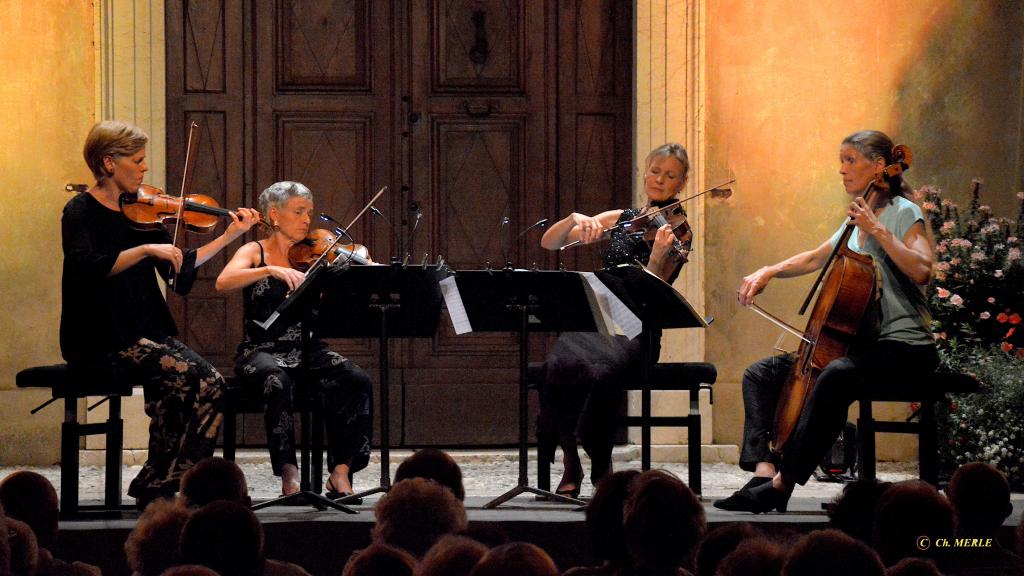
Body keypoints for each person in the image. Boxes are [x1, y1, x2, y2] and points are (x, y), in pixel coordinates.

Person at [714, 130, 938, 514]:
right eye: (842, 160)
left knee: (836, 375)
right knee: (761, 374)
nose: (842, 169)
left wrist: (879, 231)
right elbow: (818, 257)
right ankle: (763, 473)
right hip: (863, 347)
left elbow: (923, 270)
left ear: (880, 166)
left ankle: (784, 483)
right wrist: (769, 270)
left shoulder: (903, 212)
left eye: (851, 160)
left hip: (906, 348)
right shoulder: (856, 218)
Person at [61, 120, 259, 505]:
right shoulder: (79, 211)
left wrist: (229, 236)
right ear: (108, 163)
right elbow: (89, 267)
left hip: (145, 330)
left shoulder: (142, 209)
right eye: (136, 160)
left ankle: (165, 481)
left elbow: (178, 268)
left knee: (199, 386)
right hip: (101, 337)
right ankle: (177, 483)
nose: (144, 167)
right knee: (202, 380)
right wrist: (145, 251)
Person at [537, 143, 691, 497]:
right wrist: (575, 220)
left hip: (638, 330)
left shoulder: (679, 232)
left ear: (681, 184)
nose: (660, 180)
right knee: (557, 364)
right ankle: (571, 459)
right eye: (655, 171)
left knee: (601, 373)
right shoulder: (623, 218)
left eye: (670, 176)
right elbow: (550, 242)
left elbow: (657, 291)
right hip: (599, 323)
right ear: (645, 172)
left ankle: (599, 456)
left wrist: (656, 258)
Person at [215, 181, 374, 498]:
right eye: (298, 211)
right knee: (277, 381)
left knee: (356, 379)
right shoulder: (255, 251)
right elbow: (223, 281)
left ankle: (341, 472)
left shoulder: (318, 256)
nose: (307, 220)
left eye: (309, 212)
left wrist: (361, 271)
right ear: (274, 215)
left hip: (308, 349)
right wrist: (269, 271)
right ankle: (289, 473)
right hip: (261, 350)